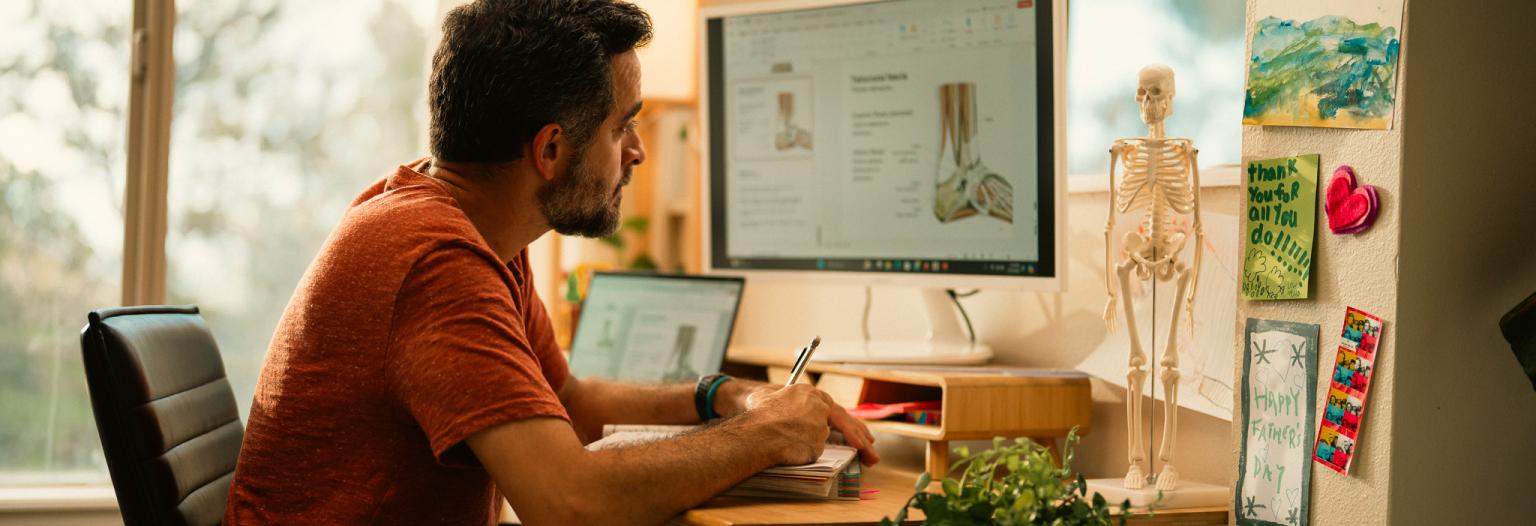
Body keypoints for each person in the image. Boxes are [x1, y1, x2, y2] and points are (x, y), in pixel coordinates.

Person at [223, 1, 877, 524]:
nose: (637, 152)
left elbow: (569, 401)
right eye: (623, 126)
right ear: (551, 149)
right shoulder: (433, 260)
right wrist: (765, 436)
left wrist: (724, 396)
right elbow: (569, 503)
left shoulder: (459, 223)